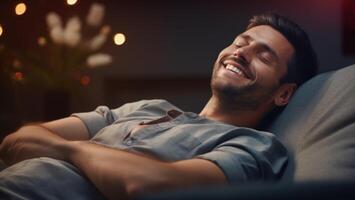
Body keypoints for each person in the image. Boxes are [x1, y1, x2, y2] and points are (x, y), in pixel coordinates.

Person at [0, 13, 317, 200]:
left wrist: (72, 149)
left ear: (284, 94)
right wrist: (106, 165)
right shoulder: (149, 107)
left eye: (264, 56)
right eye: (240, 42)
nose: (241, 53)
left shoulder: (255, 147)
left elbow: (148, 185)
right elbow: (17, 140)